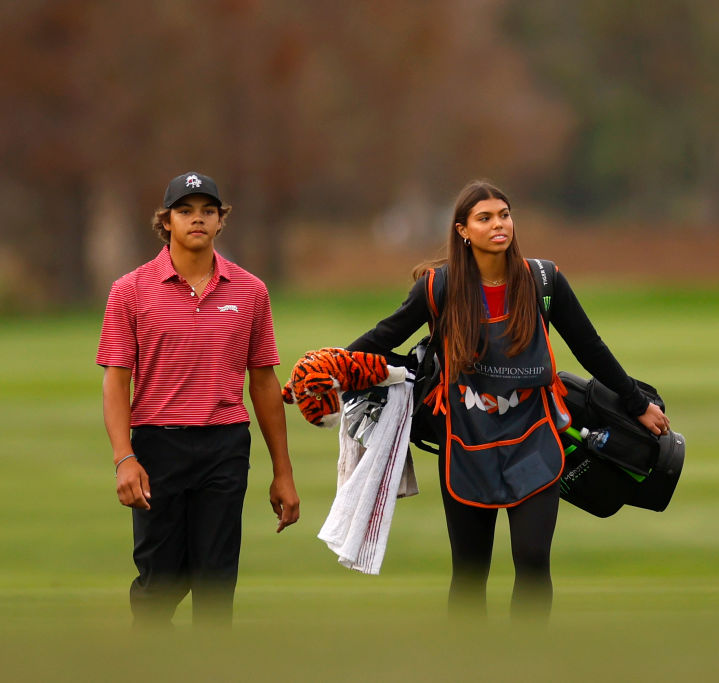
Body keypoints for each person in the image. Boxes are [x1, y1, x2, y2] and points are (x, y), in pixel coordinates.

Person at [346, 180, 669, 618]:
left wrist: (636, 404)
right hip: (465, 444)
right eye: (485, 218)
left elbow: (590, 346)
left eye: (504, 214)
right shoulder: (438, 288)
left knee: (534, 562)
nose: (499, 224)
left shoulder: (543, 279)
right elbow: (381, 338)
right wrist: (327, 368)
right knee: (469, 573)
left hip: (534, 439)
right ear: (463, 230)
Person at [97, 171, 301, 627]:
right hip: (157, 445)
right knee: (160, 580)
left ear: (220, 220)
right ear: (165, 221)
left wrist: (283, 472)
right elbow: (116, 381)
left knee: (216, 582)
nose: (197, 219)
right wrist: (123, 458)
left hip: (225, 445)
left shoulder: (250, 291)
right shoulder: (130, 290)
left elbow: (265, 382)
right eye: (185, 211)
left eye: (208, 211)